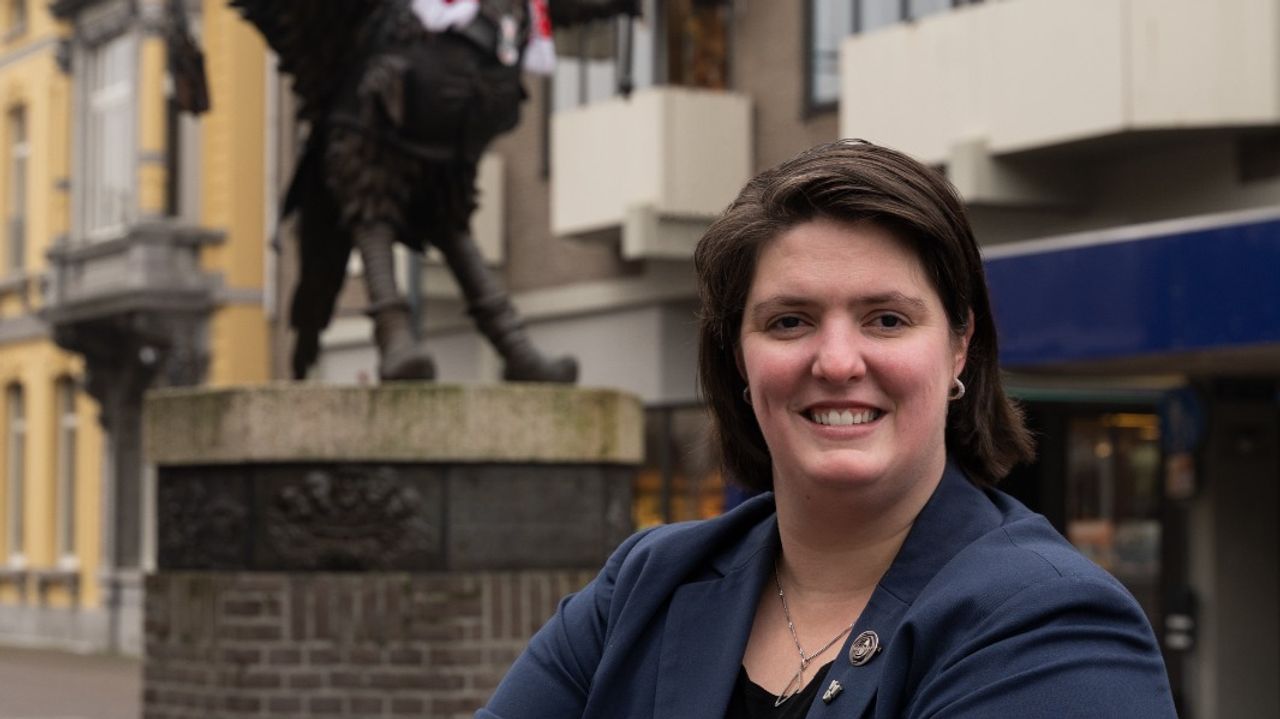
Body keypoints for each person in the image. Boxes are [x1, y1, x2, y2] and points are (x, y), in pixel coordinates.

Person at [477, 140, 1177, 718]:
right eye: (790, 321)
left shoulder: (1057, 625)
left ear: (959, 345)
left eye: (887, 319)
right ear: (739, 359)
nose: (838, 362)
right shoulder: (644, 586)